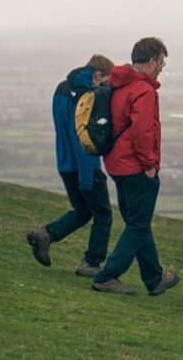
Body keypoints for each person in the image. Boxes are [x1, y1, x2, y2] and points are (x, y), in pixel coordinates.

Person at [91, 37, 179, 296]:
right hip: (136, 167)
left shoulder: (119, 83)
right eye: (161, 61)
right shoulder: (143, 90)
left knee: (136, 223)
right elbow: (142, 132)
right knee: (138, 225)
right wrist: (149, 164)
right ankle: (107, 276)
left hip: (117, 164)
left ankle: (154, 279)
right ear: (151, 61)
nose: (162, 66)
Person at [26, 54, 115, 277]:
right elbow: (82, 137)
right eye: (105, 83)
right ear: (97, 75)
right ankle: (91, 263)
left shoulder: (61, 89)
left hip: (65, 164)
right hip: (86, 165)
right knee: (103, 213)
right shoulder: (87, 96)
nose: (105, 88)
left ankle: (46, 234)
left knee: (83, 210)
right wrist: (89, 174)